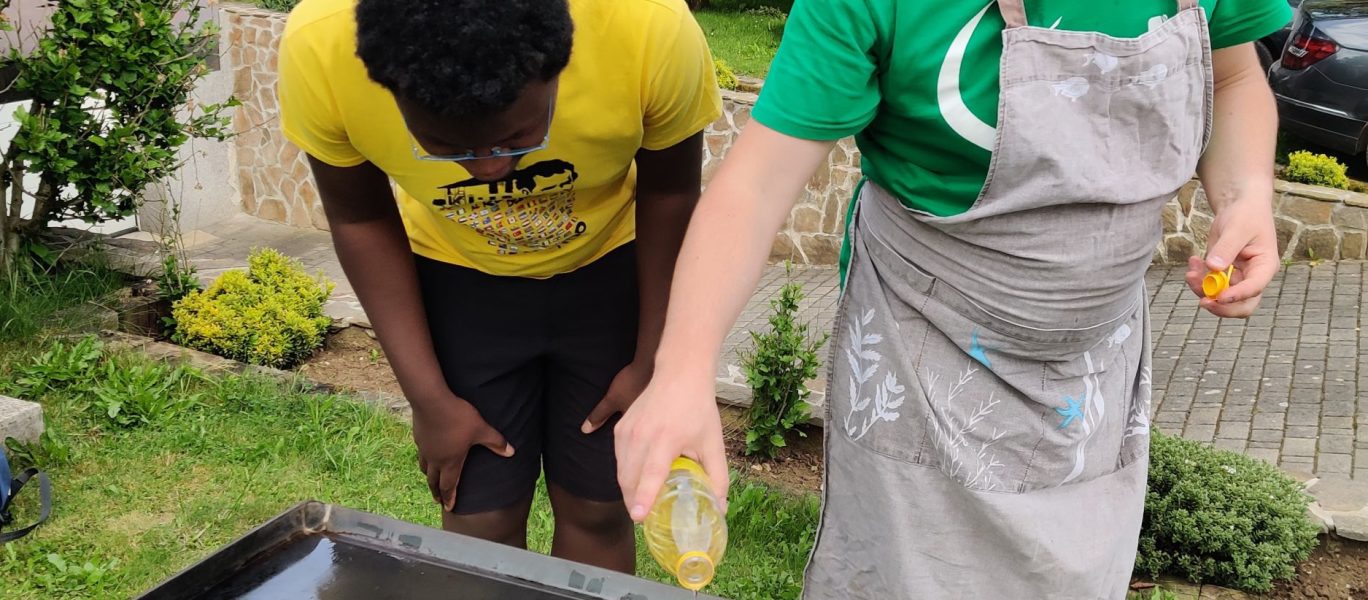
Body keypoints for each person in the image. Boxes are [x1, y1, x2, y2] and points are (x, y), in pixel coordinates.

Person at [615, 0, 1291, 596]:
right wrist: (682, 372)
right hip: (920, 353)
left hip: (1095, 370)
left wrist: (1246, 194)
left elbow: (1231, 75)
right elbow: (754, 188)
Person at [277, 0, 721, 572]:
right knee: (478, 521)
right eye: (446, 146)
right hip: (459, 283)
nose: (490, 168)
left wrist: (653, 362)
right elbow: (360, 218)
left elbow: (671, 193)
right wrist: (430, 401)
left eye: (518, 136)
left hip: (612, 273)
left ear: (560, 65)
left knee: (598, 505)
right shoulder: (322, 47)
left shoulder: (647, 25)